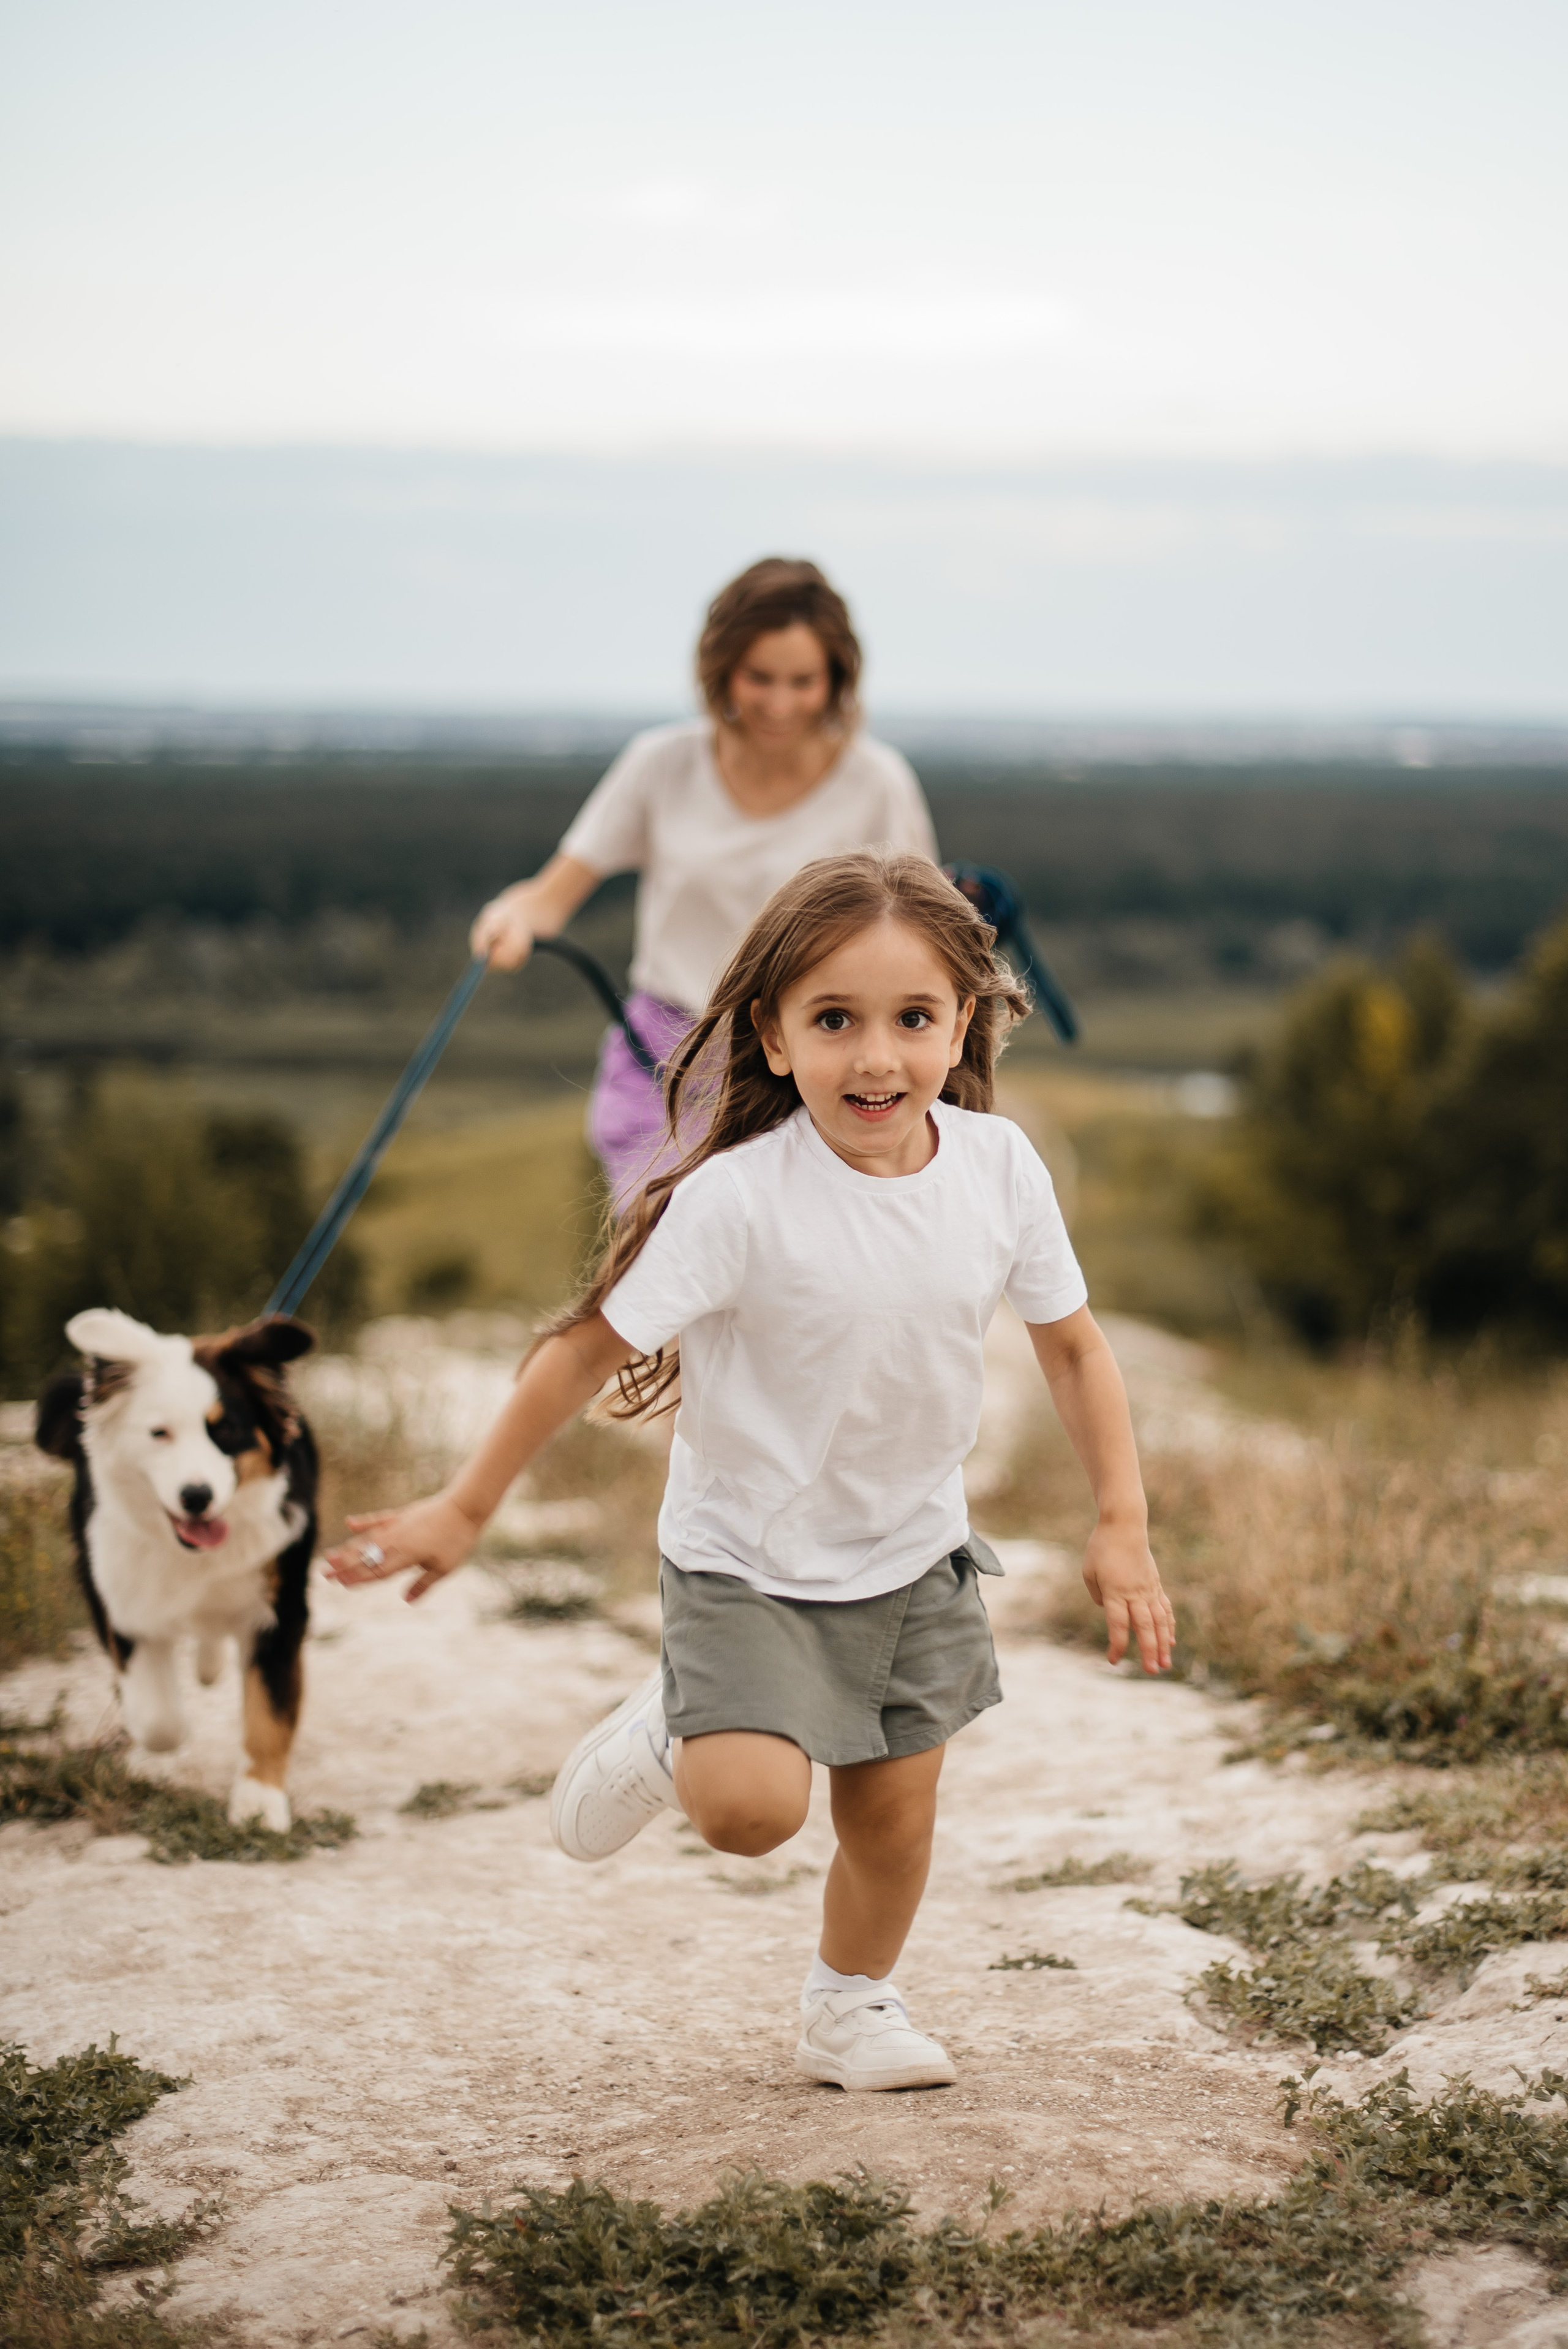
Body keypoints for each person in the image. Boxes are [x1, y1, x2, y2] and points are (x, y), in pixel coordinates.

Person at [329, 852, 1174, 2094]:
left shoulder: (999, 1169)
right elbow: (583, 1351)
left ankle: (850, 2004)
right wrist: (464, 1506)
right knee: (748, 1813)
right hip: (746, 1561)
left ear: (962, 1025)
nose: (875, 1057)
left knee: (891, 1820)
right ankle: (680, 1720)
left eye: (912, 1018)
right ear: (772, 1037)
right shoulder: (735, 1199)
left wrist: (1121, 1521)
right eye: (833, 1020)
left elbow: (1075, 1348)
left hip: (912, 1553)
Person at [469, 558, 936, 1206]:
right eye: (759, 677)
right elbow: (548, 899)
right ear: (721, 670)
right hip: (663, 1063)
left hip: (810, 1069)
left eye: (803, 681)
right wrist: (511, 919)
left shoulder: (878, 783)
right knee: (665, 1249)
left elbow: (918, 946)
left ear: (837, 680)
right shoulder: (660, 764)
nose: (779, 704)